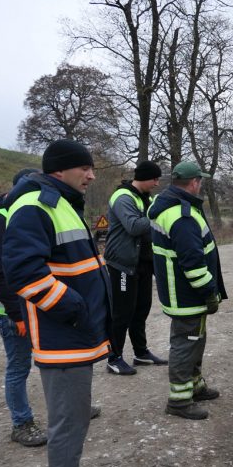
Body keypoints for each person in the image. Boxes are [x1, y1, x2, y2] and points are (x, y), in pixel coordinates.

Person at [2, 139, 113, 467]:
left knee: (73, 420)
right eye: (85, 168)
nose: (91, 175)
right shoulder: (36, 206)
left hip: (73, 334)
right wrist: (75, 308)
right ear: (59, 169)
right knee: (69, 424)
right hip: (62, 336)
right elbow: (23, 274)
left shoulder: (59, 203)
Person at [148, 161, 227, 420]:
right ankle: (179, 401)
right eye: (200, 181)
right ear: (194, 183)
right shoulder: (182, 215)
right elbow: (192, 263)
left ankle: (195, 386)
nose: (201, 184)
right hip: (187, 295)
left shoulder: (171, 207)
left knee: (195, 340)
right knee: (186, 343)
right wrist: (209, 291)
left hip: (181, 294)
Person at [0, 168, 47, 446]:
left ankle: (64, 408)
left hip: (31, 304)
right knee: (19, 366)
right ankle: (21, 423)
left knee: (49, 359)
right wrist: (15, 314)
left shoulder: (21, 213)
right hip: (10, 310)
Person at [104, 160, 166, 375]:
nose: (157, 183)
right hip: (122, 263)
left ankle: (141, 352)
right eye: (155, 179)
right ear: (144, 177)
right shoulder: (123, 197)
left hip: (142, 263)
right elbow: (133, 226)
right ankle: (114, 358)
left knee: (142, 309)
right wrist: (157, 212)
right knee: (122, 313)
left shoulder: (145, 198)